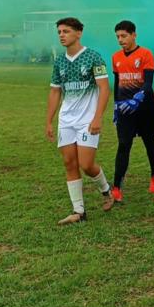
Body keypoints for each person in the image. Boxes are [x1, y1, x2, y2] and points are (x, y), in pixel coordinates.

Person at [45, 17, 113, 224]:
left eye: (66, 31)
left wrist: (97, 118)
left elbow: (104, 88)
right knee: (69, 163)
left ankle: (106, 190)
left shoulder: (93, 57)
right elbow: (55, 91)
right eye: (59, 32)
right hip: (66, 120)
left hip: (87, 120)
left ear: (79, 33)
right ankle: (79, 211)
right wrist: (49, 121)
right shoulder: (59, 61)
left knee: (86, 164)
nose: (61, 35)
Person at [111, 20, 154, 202]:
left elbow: (148, 83)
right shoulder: (116, 57)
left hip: (144, 107)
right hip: (125, 109)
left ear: (134, 35)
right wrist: (116, 105)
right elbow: (117, 83)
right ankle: (116, 186)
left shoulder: (146, 54)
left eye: (124, 36)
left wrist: (137, 99)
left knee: (149, 141)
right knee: (124, 144)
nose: (120, 40)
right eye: (118, 36)